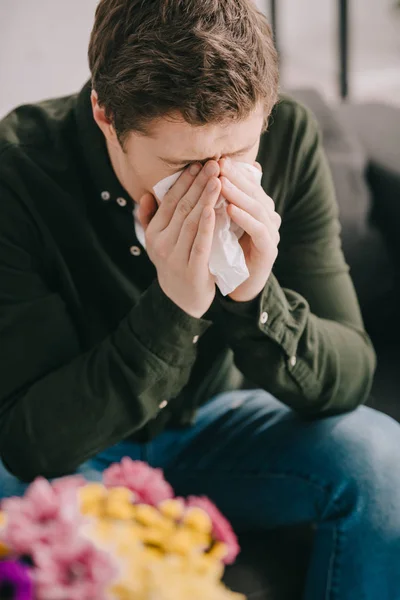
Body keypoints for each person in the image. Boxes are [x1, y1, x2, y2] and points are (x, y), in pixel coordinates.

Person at [0, 0, 399, 597]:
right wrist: (174, 308)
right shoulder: (20, 170)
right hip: (78, 446)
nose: (213, 186)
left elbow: (350, 374)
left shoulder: (288, 134)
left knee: (383, 464)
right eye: (183, 164)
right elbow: (32, 441)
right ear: (106, 115)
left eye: (237, 156)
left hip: (219, 422)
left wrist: (255, 292)